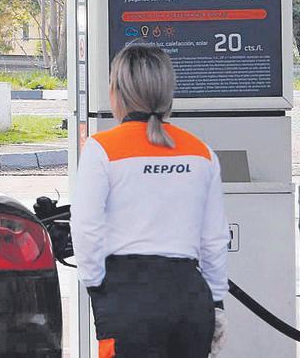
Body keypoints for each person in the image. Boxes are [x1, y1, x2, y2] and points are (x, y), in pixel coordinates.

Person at [71, 42, 230, 357]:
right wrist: (216, 303)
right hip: (189, 297)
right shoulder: (201, 153)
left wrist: (97, 287)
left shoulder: (101, 149)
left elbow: (86, 229)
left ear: (117, 93)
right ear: (168, 91)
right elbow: (214, 240)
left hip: (127, 298)